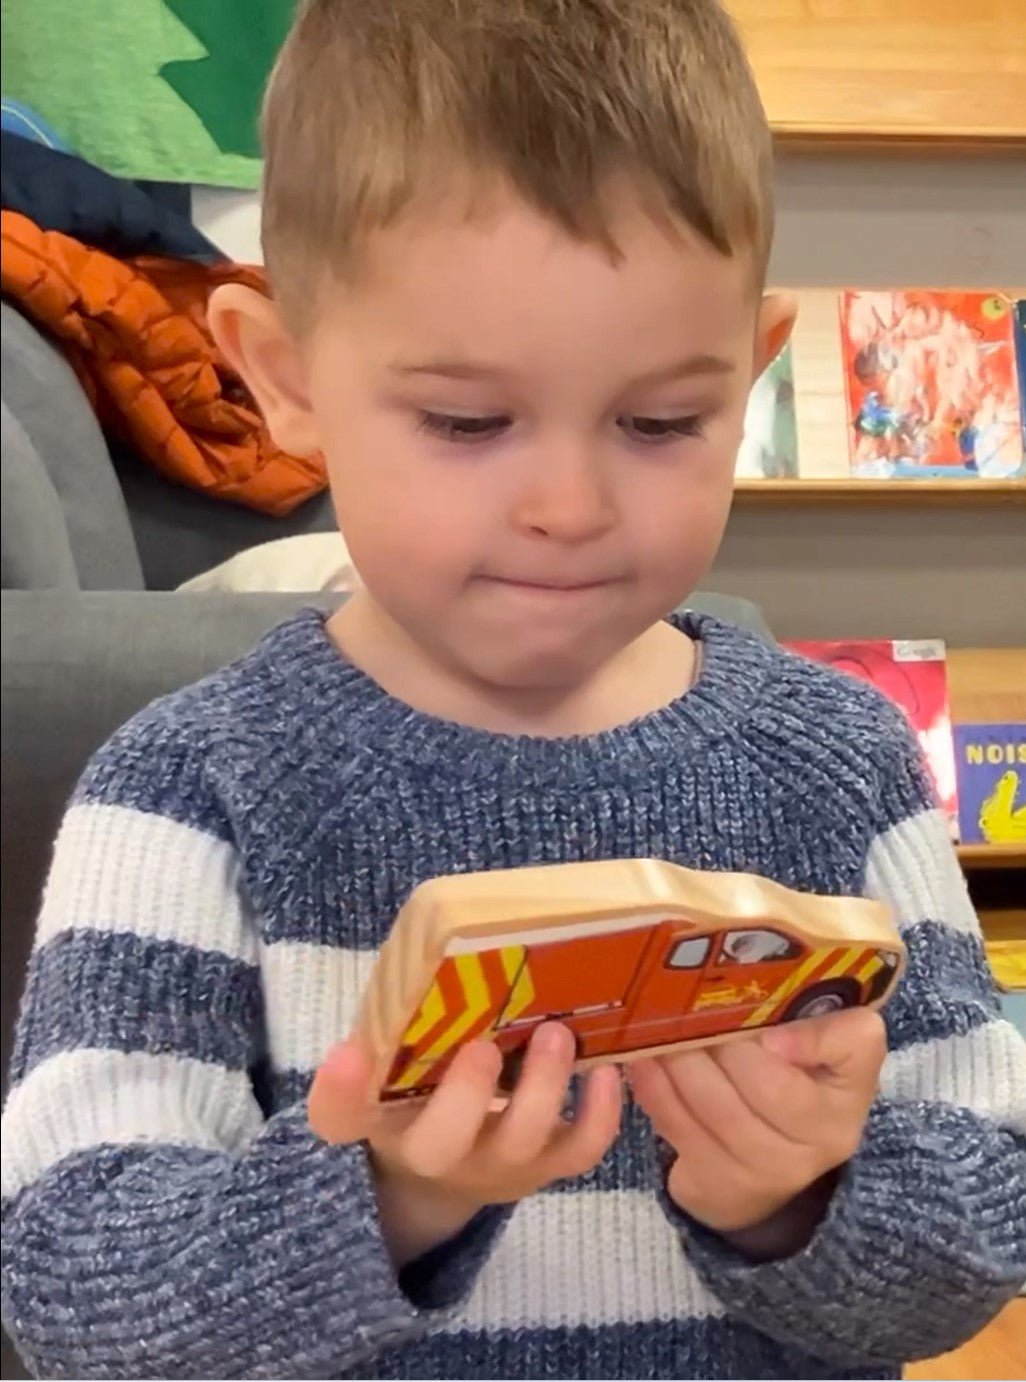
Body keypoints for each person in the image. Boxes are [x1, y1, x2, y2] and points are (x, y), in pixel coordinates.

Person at [2, 1, 1023, 1377]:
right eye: (466, 420)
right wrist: (384, 1199)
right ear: (283, 380)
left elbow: (986, 1216)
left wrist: (807, 1198)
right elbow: (70, 1289)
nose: (566, 505)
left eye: (661, 421)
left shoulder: (836, 758)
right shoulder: (192, 786)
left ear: (750, 374)